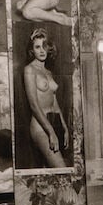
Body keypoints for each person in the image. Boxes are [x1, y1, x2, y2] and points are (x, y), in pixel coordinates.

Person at [22, 28, 69, 168]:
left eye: (45, 46)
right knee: (61, 168)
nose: (42, 50)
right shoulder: (29, 70)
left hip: (53, 123)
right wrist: (51, 132)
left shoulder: (48, 72)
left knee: (50, 170)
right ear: (32, 50)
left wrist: (65, 128)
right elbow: (34, 105)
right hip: (39, 127)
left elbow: (54, 103)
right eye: (37, 47)